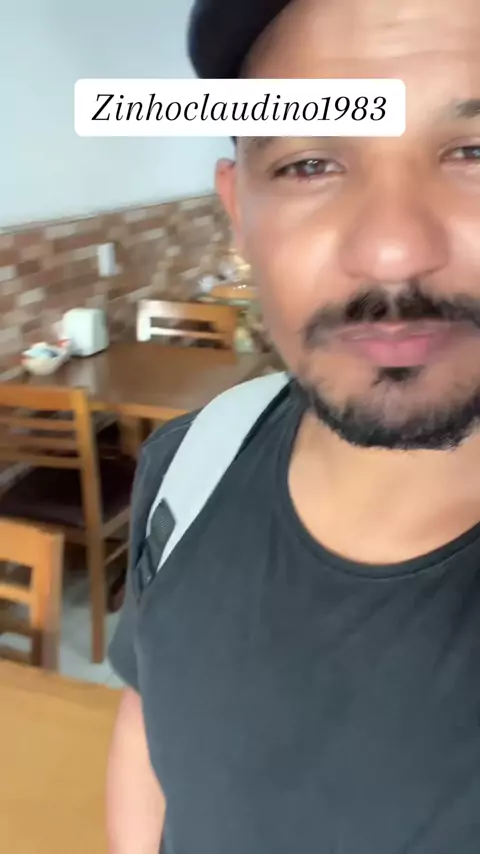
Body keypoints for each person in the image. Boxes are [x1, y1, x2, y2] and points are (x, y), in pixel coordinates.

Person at [106, 0, 480, 851]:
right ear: (239, 213)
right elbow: (147, 725)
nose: (392, 251)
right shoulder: (193, 462)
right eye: (310, 164)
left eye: (474, 152)